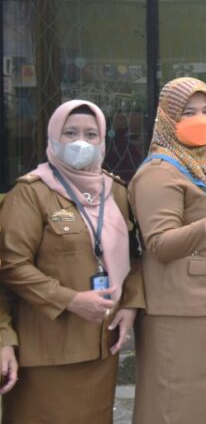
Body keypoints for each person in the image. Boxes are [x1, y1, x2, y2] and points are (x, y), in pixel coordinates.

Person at [0, 100, 143, 423]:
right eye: (70, 133)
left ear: (103, 140)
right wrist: (71, 300)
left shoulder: (115, 192)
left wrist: (131, 305)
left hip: (101, 345)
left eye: (91, 134)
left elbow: (134, 257)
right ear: (53, 137)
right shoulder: (30, 193)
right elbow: (12, 266)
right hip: (48, 348)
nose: (81, 142)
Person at [129, 78, 206, 424]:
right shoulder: (159, 171)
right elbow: (159, 243)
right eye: (188, 112)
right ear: (167, 119)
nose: (201, 119)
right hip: (179, 308)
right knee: (178, 401)